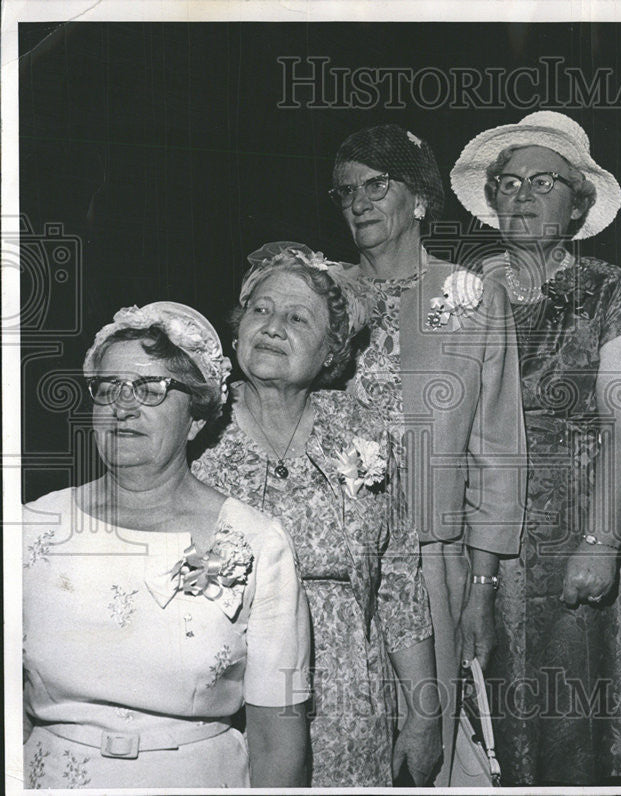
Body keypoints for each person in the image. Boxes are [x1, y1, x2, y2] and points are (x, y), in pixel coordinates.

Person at [450, 110, 621, 785]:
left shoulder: (606, 287)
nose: (524, 194)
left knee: (568, 710)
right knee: (476, 697)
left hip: (573, 525)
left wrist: (600, 542)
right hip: (476, 524)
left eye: (546, 181)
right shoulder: (461, 290)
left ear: (577, 205)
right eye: (509, 182)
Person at [22, 302, 310, 789]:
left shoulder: (259, 542)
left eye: (150, 388)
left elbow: (277, 738)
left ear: (196, 417)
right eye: (108, 387)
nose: (123, 404)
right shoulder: (31, 526)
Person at [191, 244, 440, 787]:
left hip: (351, 696)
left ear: (331, 352)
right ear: (235, 332)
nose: (273, 326)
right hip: (232, 693)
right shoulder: (195, 425)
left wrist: (423, 716)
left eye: (297, 317)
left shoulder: (363, 430)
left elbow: (399, 581)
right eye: (260, 310)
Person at [330, 124, 526, 785]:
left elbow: (497, 450)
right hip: (331, 567)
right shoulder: (319, 299)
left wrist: (481, 588)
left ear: (418, 199)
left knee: (421, 759)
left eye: (377, 185)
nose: (358, 201)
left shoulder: (472, 301)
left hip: (431, 565)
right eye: (347, 190)